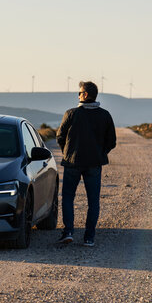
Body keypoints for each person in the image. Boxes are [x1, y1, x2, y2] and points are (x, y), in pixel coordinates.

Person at [56, 81, 116, 246]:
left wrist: (67, 152)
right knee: (93, 201)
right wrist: (100, 153)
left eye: (80, 92)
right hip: (94, 165)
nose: (78, 94)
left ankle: (68, 232)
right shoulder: (105, 115)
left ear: (86, 95)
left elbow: (60, 137)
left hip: (72, 163)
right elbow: (111, 141)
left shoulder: (71, 113)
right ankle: (89, 237)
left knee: (68, 197)